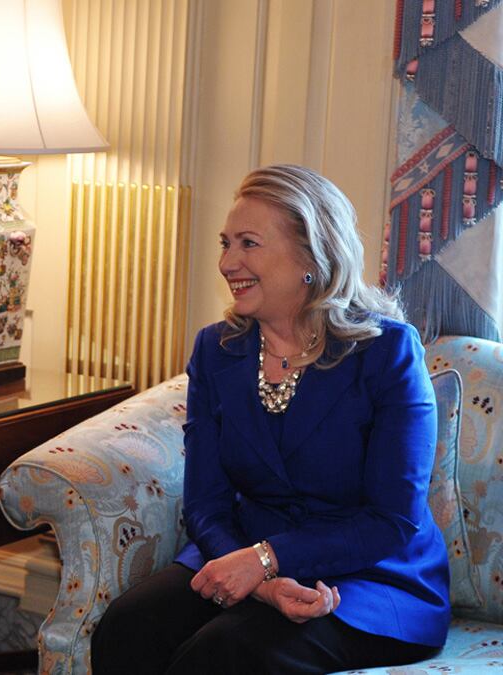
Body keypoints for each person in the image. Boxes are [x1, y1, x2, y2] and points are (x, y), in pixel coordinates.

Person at [90, 165, 450, 673]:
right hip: (240, 555)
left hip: (370, 576)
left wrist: (267, 560)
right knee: (129, 626)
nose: (226, 262)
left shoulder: (387, 353)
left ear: (311, 255)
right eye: (225, 243)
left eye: (248, 244)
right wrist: (257, 578)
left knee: (226, 653)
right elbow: (206, 504)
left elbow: (392, 519)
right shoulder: (218, 351)